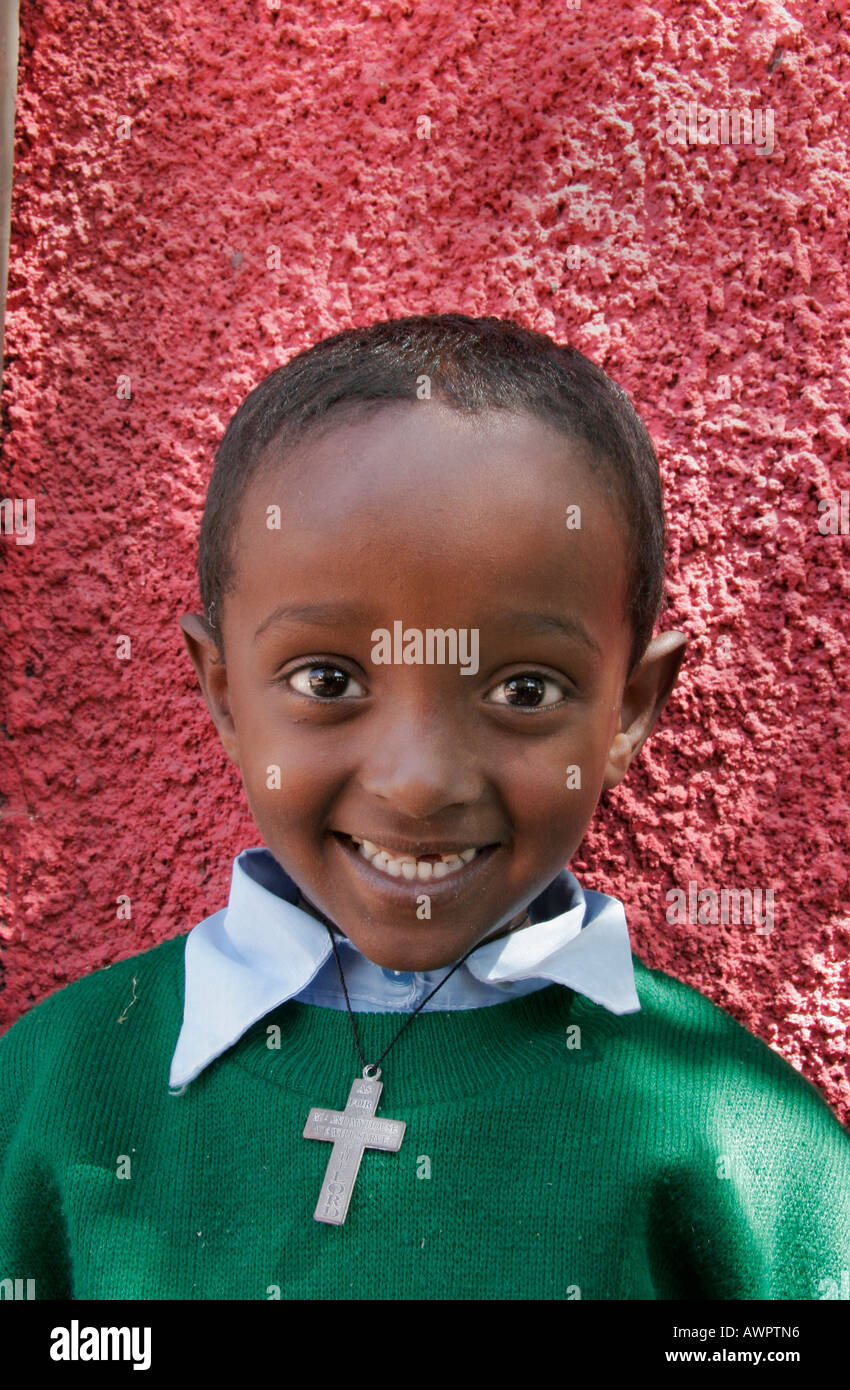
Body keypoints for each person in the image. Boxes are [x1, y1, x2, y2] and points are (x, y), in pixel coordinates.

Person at [0, 314, 847, 1300]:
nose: (416, 779)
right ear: (225, 694)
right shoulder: (57, 1097)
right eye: (328, 678)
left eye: (523, 690)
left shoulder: (737, 1148)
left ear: (628, 710)